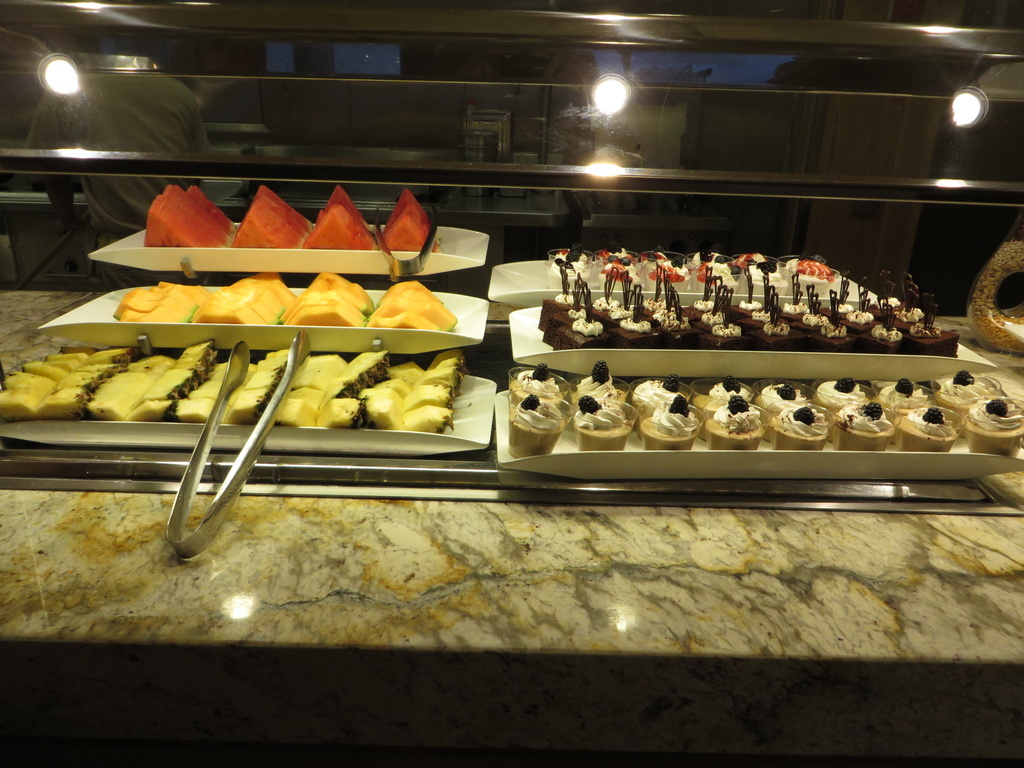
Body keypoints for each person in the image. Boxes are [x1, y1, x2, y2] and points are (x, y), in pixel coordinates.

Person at [26, 71, 211, 289]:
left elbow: (51, 168)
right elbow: (198, 171)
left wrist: (66, 217)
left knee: (142, 312)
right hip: (190, 246)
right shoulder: (178, 91)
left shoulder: (65, 91)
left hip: (130, 251)